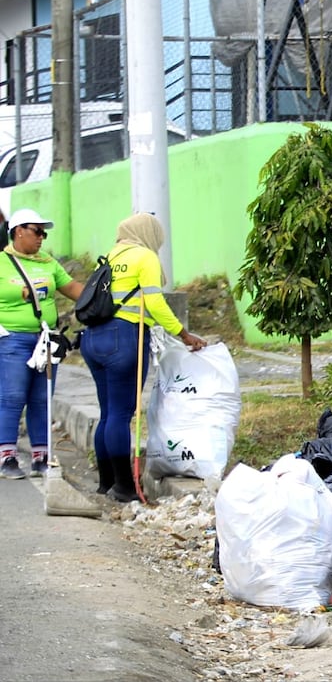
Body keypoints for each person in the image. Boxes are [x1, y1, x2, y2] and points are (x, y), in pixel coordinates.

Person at [80, 213, 207, 502]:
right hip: (123, 337)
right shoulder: (145, 257)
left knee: (108, 413)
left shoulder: (111, 256)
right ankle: (125, 487)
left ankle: (106, 482)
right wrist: (183, 334)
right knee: (121, 415)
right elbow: (155, 303)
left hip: (93, 338)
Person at [0, 209, 84, 479]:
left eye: (44, 233)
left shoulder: (48, 263)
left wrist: (103, 301)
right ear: (18, 231)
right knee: (12, 397)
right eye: (37, 231)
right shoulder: (2, 262)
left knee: (41, 398)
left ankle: (41, 457)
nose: (41, 238)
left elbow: (73, 290)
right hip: (12, 339)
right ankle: (7, 457)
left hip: (45, 340)